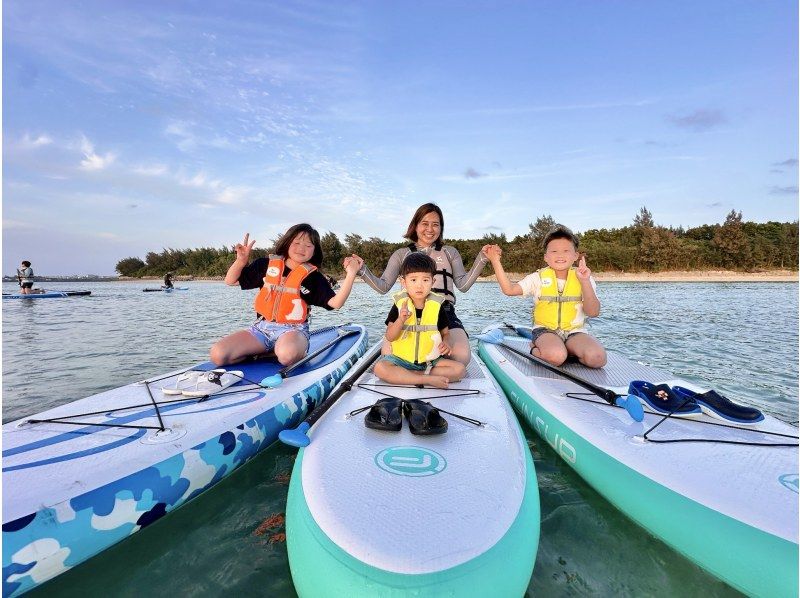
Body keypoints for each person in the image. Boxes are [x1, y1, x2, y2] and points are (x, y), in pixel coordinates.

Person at [345, 203, 491, 365]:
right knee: (388, 354)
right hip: (408, 312)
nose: (430, 229)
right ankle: (424, 367)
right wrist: (361, 269)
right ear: (415, 225)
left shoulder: (450, 252)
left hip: (444, 311)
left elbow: (463, 285)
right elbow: (383, 286)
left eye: (435, 224)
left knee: (461, 357)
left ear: (441, 228)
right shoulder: (401, 254)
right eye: (425, 223)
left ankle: (425, 364)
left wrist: (483, 258)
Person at [209, 224, 362, 366]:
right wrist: (241, 261)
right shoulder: (266, 265)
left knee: (287, 355)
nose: (301, 248)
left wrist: (351, 274)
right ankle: (264, 350)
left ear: (314, 251)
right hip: (261, 329)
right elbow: (230, 280)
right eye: (296, 243)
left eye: (308, 245)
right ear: (287, 243)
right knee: (218, 354)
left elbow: (336, 303)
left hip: (293, 330)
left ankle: (291, 350)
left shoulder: (313, 277)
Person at [485, 225, 607, 368]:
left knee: (598, 358)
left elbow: (593, 312)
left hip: (575, 332)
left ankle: (566, 349)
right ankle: (537, 347)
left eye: (566, 251)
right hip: (545, 331)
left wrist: (585, 281)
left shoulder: (585, 277)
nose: (560, 255)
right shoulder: (537, 278)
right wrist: (495, 260)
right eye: (554, 251)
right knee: (556, 357)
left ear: (575, 255)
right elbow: (509, 290)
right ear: (546, 257)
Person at [373, 252, 466, 389]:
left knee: (460, 369)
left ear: (433, 281)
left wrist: (446, 343)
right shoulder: (399, 305)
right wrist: (400, 320)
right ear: (403, 282)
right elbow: (390, 336)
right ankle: (426, 379)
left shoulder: (437, 306)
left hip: (429, 361)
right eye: (414, 280)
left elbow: (445, 333)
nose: (419, 286)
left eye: (425, 280)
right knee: (380, 368)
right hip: (401, 360)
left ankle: (409, 376)